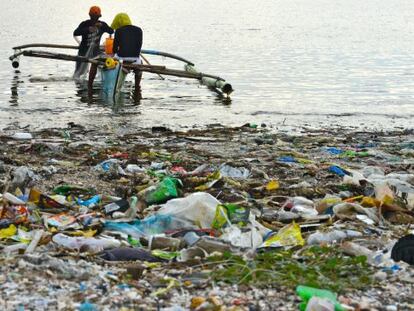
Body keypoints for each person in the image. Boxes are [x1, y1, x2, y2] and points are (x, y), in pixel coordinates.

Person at [73, 6, 113, 94]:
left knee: (102, 63)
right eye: (93, 17)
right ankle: (80, 87)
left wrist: (102, 26)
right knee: (78, 74)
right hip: (83, 52)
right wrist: (88, 29)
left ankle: (97, 80)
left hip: (96, 52)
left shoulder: (102, 25)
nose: (94, 19)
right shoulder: (85, 24)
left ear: (99, 17)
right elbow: (75, 32)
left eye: (96, 17)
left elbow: (111, 31)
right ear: (90, 16)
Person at [111, 13, 143, 100]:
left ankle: (122, 71)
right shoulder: (139, 30)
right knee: (140, 63)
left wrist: (116, 52)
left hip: (122, 59)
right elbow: (138, 47)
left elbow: (114, 49)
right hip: (135, 59)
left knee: (113, 58)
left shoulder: (119, 30)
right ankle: (137, 86)